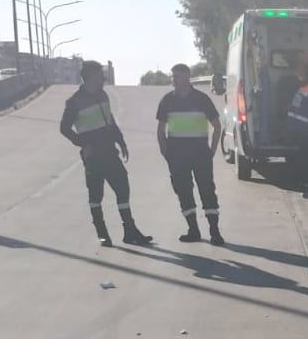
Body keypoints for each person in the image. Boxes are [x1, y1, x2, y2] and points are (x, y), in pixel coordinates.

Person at [59, 60, 153, 247]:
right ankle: (102, 234)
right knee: (96, 196)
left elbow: (109, 120)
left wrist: (121, 141)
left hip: (110, 151)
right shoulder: (74, 102)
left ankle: (130, 231)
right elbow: (64, 128)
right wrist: (82, 143)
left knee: (123, 189)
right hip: (92, 157)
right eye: (99, 76)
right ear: (89, 78)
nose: (103, 79)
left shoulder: (102, 95)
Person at [156, 63, 225, 245]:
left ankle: (214, 231)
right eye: (172, 77)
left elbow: (217, 126)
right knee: (184, 192)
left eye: (176, 77)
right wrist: (165, 152)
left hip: (200, 155)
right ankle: (193, 230)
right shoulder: (167, 101)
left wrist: (212, 150)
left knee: (207, 192)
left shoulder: (201, 99)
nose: (173, 80)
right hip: (176, 157)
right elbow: (160, 129)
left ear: (186, 77)